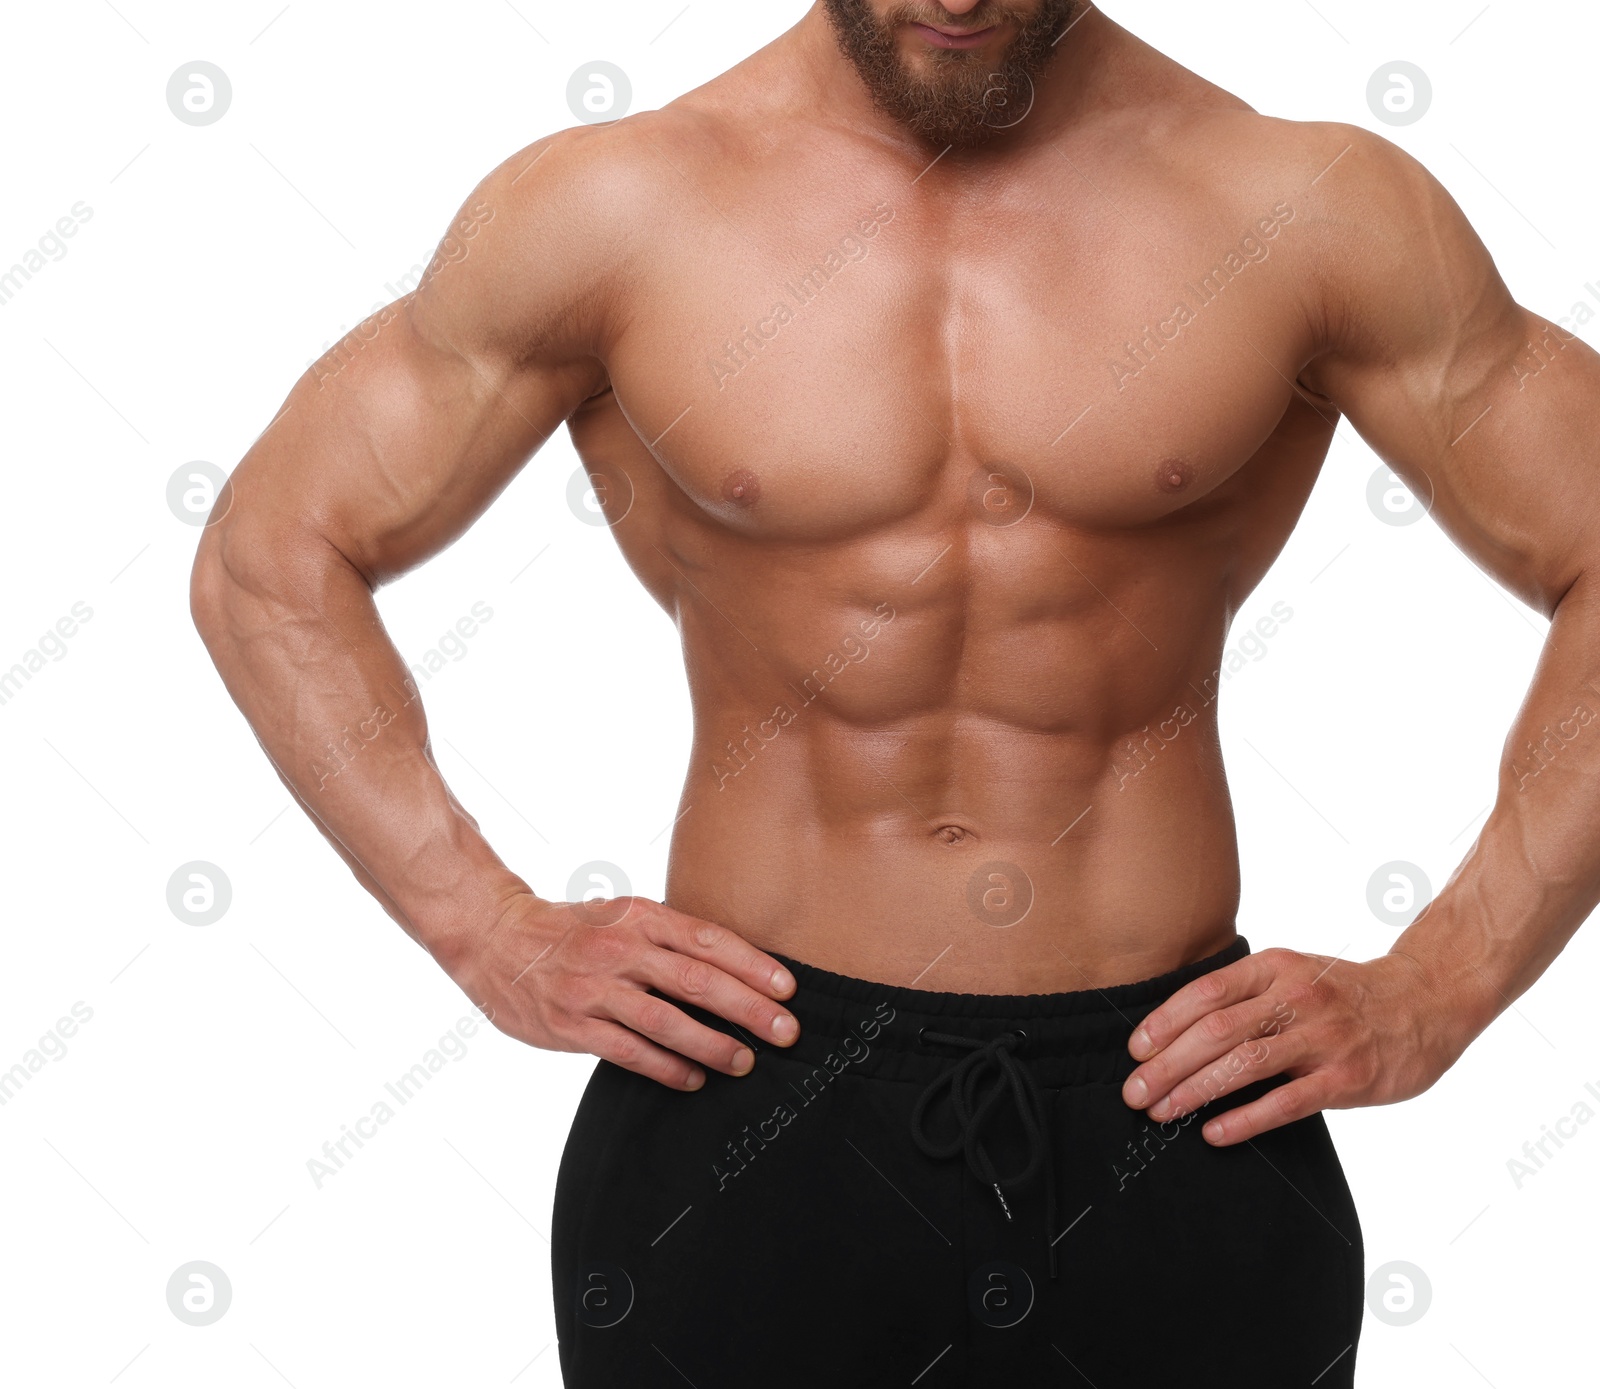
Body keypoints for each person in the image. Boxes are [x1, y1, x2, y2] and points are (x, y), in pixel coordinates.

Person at [191, 2, 1600, 1383]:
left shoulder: (1305, 203)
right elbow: (271, 557)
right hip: (744, 1113)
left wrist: (1443, 982)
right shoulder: (618, 207)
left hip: (1178, 1111)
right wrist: (483, 927)